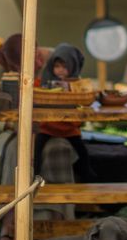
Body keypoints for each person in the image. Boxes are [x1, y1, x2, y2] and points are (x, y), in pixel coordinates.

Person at [0, 33, 49, 240]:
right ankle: (9, 223)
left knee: (57, 148)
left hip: (46, 128)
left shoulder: (47, 61)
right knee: (16, 150)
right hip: (7, 133)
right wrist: (9, 124)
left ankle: (51, 221)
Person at [35, 42, 94, 186]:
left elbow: (87, 95)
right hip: (48, 128)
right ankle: (34, 179)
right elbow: (34, 90)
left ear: (73, 66)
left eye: (65, 67)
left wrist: (70, 88)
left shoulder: (78, 85)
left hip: (70, 131)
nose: (60, 70)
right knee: (36, 154)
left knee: (84, 156)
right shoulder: (45, 81)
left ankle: (89, 184)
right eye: (57, 66)